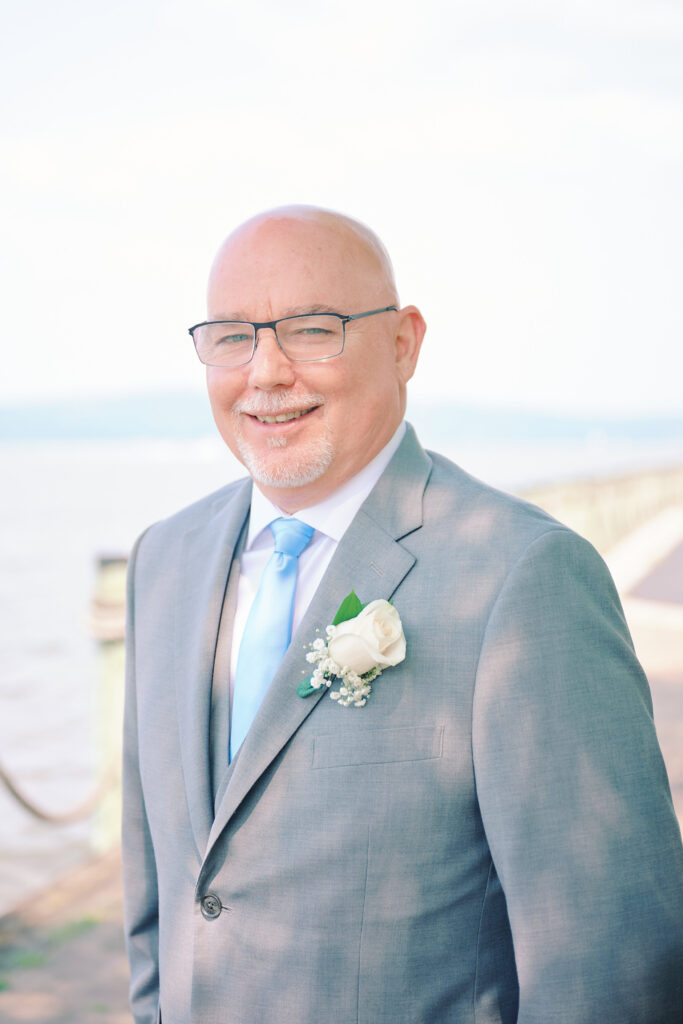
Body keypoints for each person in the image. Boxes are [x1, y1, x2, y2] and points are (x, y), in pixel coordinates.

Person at [122, 205, 683, 1024]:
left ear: (403, 342)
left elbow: (612, 961)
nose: (266, 371)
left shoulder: (523, 578)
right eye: (233, 336)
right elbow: (159, 910)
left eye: (312, 330)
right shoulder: (163, 561)